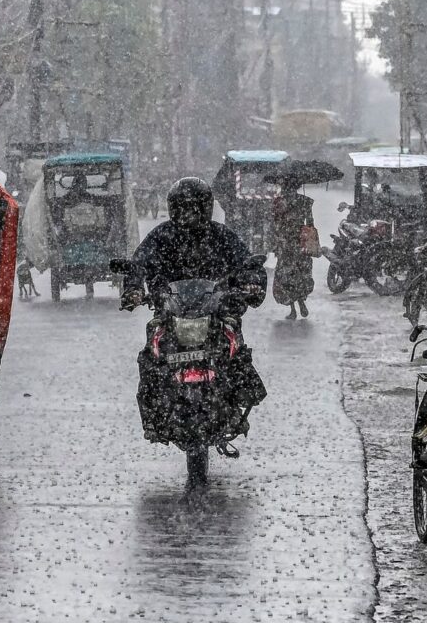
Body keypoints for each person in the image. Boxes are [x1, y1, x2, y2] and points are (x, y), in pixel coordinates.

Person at [120, 177, 267, 438]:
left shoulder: (221, 235)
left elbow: (247, 262)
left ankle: (239, 399)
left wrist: (252, 284)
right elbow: (138, 262)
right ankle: (152, 416)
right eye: (183, 208)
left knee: (236, 348)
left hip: (215, 312)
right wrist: (133, 289)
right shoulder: (162, 236)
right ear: (174, 208)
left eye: (194, 208)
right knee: (151, 355)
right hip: (171, 312)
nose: (188, 214)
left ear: (206, 208)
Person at [270, 179, 316, 319]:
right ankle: (301, 302)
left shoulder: (279, 202)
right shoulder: (305, 202)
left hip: (286, 244)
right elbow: (310, 223)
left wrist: (277, 241)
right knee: (301, 275)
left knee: (286, 277)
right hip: (301, 243)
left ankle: (293, 309)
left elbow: (275, 224)